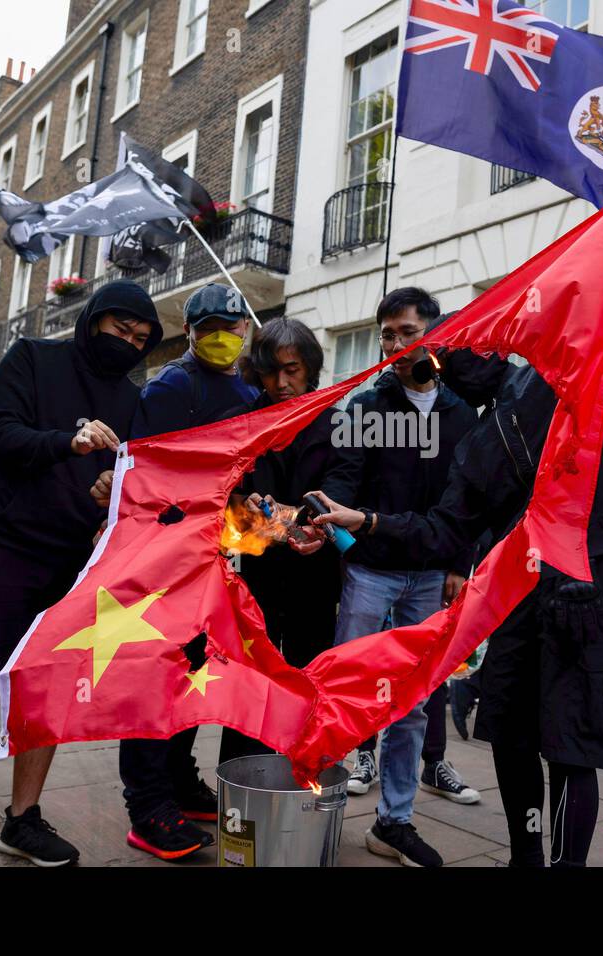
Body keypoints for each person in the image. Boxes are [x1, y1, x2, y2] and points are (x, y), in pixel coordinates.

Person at [312, 180, 603, 868]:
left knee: (569, 745)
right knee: (509, 732)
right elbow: (444, 531)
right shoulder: (478, 443)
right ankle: (526, 856)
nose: (446, 356)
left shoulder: (569, 377)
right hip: (513, 600)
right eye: (443, 352)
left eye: (451, 344)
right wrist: (368, 521)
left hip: (582, 595)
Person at [0, 280, 162, 868]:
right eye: (121, 330)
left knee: (48, 690)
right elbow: (4, 439)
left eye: (142, 338)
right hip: (4, 546)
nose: (130, 343)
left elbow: (124, 475)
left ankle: (22, 820)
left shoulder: (133, 397)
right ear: (92, 320)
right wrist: (71, 441)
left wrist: (109, 490)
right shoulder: (32, 359)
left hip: (74, 558)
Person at [318, 287, 480, 868]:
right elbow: (342, 480)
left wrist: (460, 566)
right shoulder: (365, 407)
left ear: (432, 336)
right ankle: (316, 815)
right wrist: (335, 530)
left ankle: (394, 822)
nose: (393, 343)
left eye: (406, 332)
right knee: (344, 691)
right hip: (370, 574)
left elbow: (472, 501)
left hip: (432, 577)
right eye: (386, 333)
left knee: (412, 702)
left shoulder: (464, 410)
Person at [115, 282, 255, 862]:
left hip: (218, 554)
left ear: (245, 329)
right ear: (190, 331)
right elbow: (146, 472)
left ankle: (176, 780)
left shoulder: (247, 391)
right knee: (155, 679)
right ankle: (147, 805)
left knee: (194, 676)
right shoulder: (171, 387)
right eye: (209, 327)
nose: (221, 336)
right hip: (164, 555)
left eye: (231, 325)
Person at [215, 317, 340, 765]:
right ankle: (241, 780)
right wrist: (243, 504)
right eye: (270, 371)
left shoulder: (338, 422)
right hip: (256, 575)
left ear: (310, 366)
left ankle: (306, 772)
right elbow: (218, 492)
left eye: (292, 369)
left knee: (309, 678)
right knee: (250, 682)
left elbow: (345, 484)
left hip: (316, 574)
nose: (281, 382)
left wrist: (308, 525)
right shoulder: (238, 423)